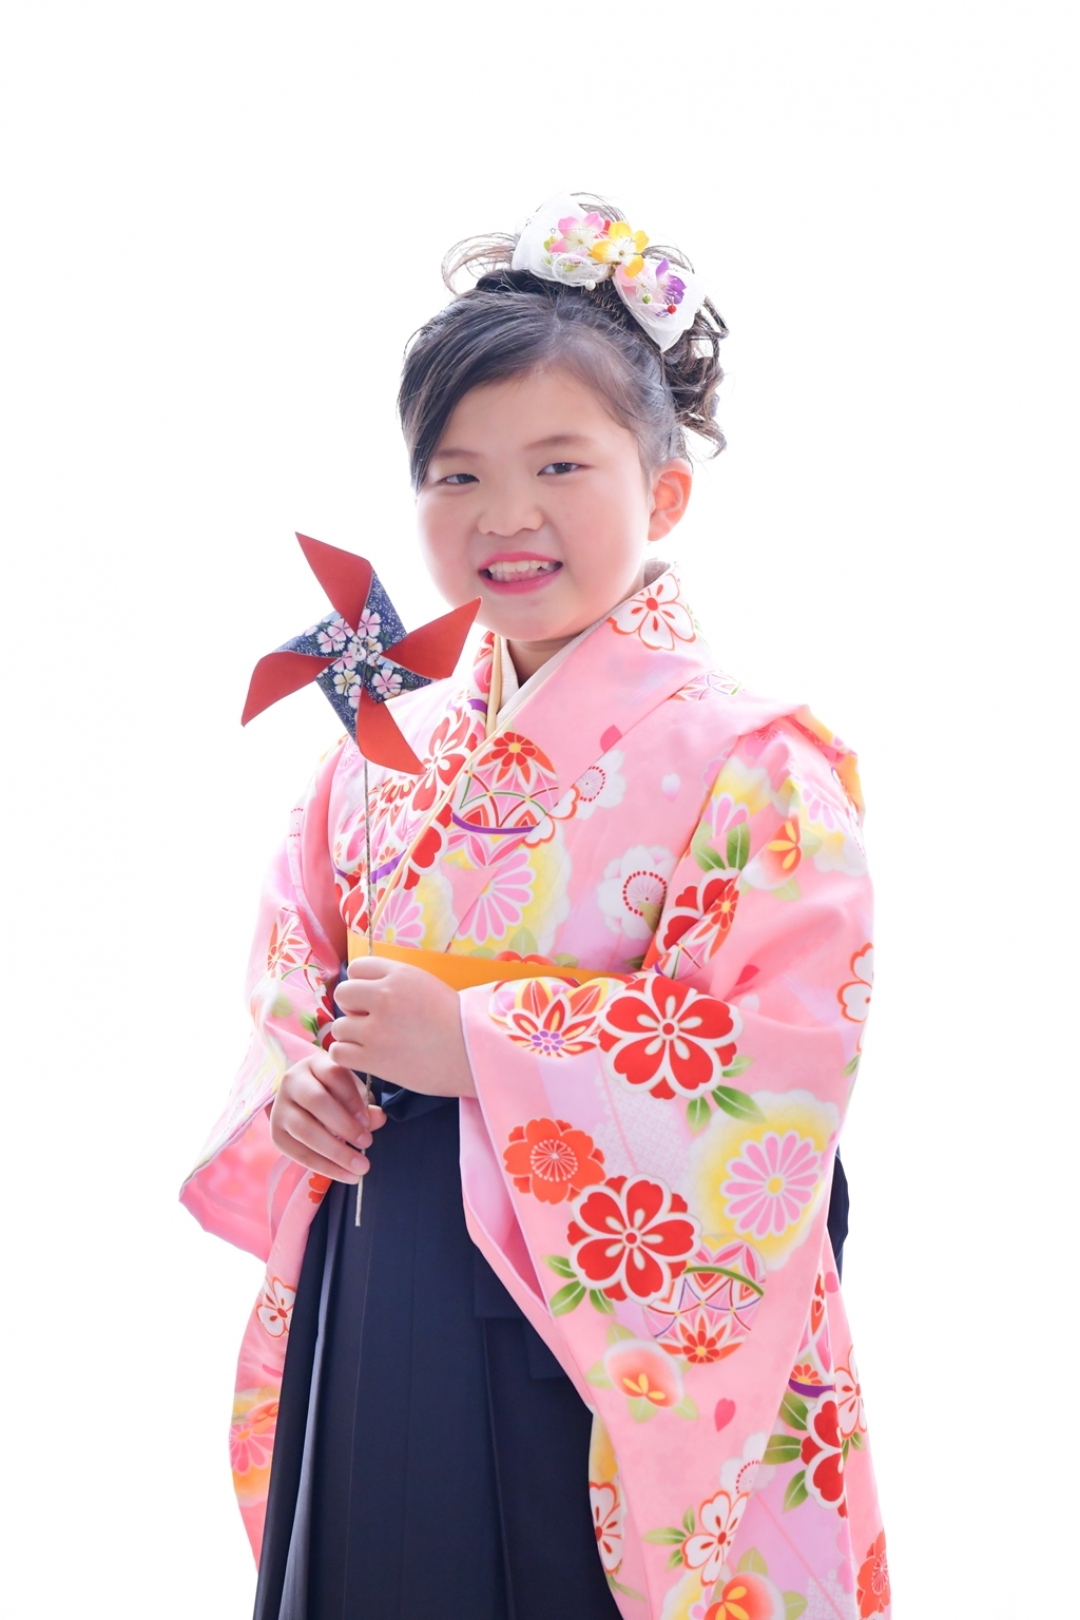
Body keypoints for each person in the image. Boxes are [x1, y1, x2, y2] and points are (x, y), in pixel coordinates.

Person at [182, 193, 891, 1620]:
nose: (506, 516)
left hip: (591, 1311)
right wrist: (306, 1086)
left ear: (663, 493)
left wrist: (485, 1044)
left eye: (560, 464)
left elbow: (780, 1065)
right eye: (456, 476)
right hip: (381, 1262)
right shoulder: (374, 758)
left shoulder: (755, 763)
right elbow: (296, 975)